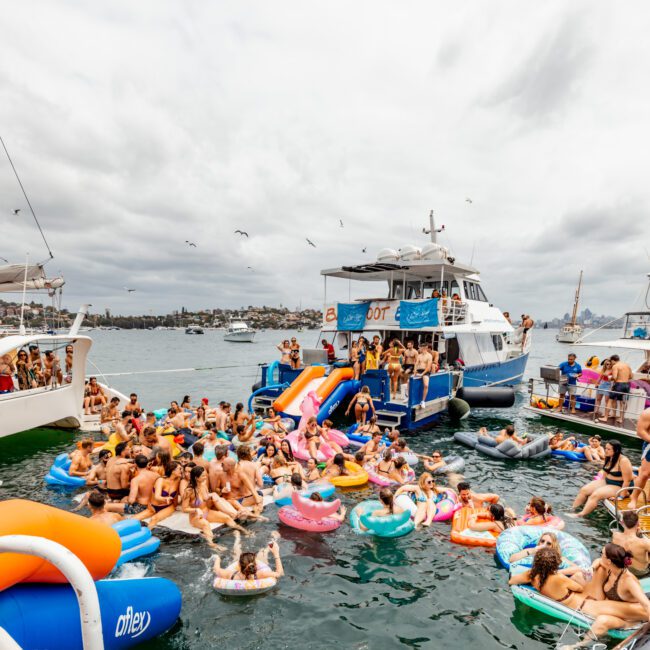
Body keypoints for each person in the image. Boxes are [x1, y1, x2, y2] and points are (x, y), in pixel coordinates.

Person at [509, 546, 649, 645]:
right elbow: (577, 587)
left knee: (633, 609)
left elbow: (512, 580)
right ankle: (634, 622)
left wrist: (533, 578)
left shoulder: (532, 576)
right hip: (588, 606)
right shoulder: (559, 578)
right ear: (555, 564)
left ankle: (634, 620)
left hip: (586, 605)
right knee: (639, 610)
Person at [181, 466, 246, 547]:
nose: (206, 477)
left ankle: (244, 531)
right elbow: (184, 509)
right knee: (206, 524)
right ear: (196, 478)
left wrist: (218, 494)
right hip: (195, 517)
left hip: (207, 512)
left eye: (205, 475)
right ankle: (213, 545)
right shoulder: (188, 491)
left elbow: (207, 497)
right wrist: (196, 510)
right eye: (203, 476)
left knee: (227, 517)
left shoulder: (203, 486)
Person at [572, 440, 634, 517]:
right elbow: (605, 472)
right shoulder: (609, 457)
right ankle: (573, 509)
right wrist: (601, 484)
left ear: (616, 450)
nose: (606, 451)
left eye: (608, 449)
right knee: (584, 490)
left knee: (596, 495)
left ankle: (580, 514)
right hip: (608, 481)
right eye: (605, 448)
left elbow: (627, 480)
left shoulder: (623, 460)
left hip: (621, 486)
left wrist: (621, 496)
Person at [508, 532, 584, 579]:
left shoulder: (559, 558)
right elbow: (511, 559)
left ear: (553, 547)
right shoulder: (531, 551)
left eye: (548, 543)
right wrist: (533, 550)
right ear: (539, 542)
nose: (544, 545)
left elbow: (578, 569)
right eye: (542, 541)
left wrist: (557, 572)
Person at [213, 531, 284, 582]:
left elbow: (216, 569)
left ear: (238, 564)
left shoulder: (230, 575)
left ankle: (237, 538)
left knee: (236, 553)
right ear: (256, 565)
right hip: (255, 574)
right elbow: (279, 573)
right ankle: (273, 540)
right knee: (262, 552)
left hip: (238, 575)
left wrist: (217, 558)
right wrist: (276, 554)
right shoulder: (260, 574)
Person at [625, 407, 650, 511]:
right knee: (644, 474)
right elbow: (640, 431)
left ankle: (649, 498)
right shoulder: (647, 413)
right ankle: (634, 498)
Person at [613, 511, 650, 578]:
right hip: (640, 574)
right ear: (638, 524)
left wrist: (638, 536)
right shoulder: (644, 542)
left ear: (622, 523)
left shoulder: (615, 536)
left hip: (623, 570)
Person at [147, 461, 183, 528]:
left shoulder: (178, 480)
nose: (181, 471)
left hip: (168, 506)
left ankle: (147, 535)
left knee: (154, 519)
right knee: (135, 518)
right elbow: (157, 496)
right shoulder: (161, 480)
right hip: (153, 506)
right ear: (173, 470)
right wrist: (165, 498)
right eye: (180, 469)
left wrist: (176, 506)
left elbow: (176, 495)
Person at [608, 355, 634, 425]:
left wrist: (610, 378)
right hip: (627, 384)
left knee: (610, 399)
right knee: (623, 402)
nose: (611, 363)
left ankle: (605, 417)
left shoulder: (615, 366)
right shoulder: (627, 365)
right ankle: (621, 418)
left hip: (619, 384)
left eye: (611, 361)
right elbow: (631, 376)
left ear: (613, 360)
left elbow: (614, 377)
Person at [414, 343, 433, 408]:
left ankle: (423, 401)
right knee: (408, 381)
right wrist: (414, 371)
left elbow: (428, 367)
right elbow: (416, 364)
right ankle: (407, 396)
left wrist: (422, 374)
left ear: (424, 348)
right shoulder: (419, 355)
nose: (419, 349)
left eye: (420, 348)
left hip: (425, 371)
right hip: (419, 370)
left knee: (426, 385)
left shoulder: (429, 356)